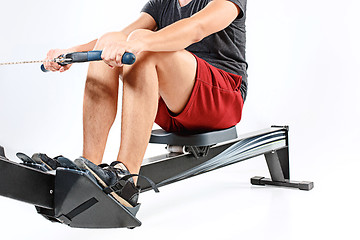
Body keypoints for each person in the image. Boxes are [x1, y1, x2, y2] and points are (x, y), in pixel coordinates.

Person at [42, 0, 248, 208]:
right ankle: (88, 169)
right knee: (110, 40)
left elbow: (197, 27)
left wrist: (142, 42)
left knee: (145, 44)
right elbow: (120, 39)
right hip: (173, 105)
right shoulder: (163, 3)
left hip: (222, 99)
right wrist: (71, 52)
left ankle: (126, 181)